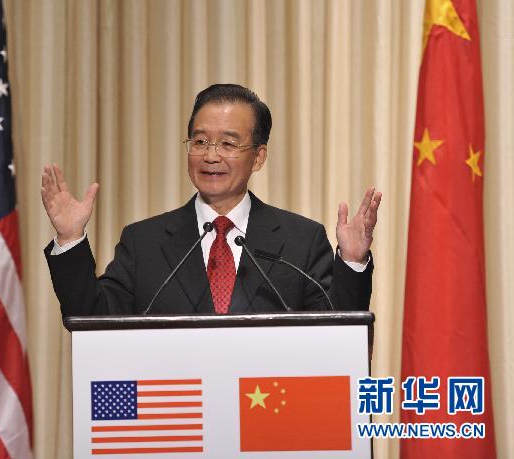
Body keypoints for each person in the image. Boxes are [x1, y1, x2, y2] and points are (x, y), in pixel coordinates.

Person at [42, 84, 381, 318]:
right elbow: (92, 319)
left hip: (269, 401)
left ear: (258, 157)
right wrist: (70, 239)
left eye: (228, 144)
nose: (211, 156)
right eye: (200, 141)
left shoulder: (300, 241)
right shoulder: (143, 242)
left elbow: (338, 331)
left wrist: (352, 261)